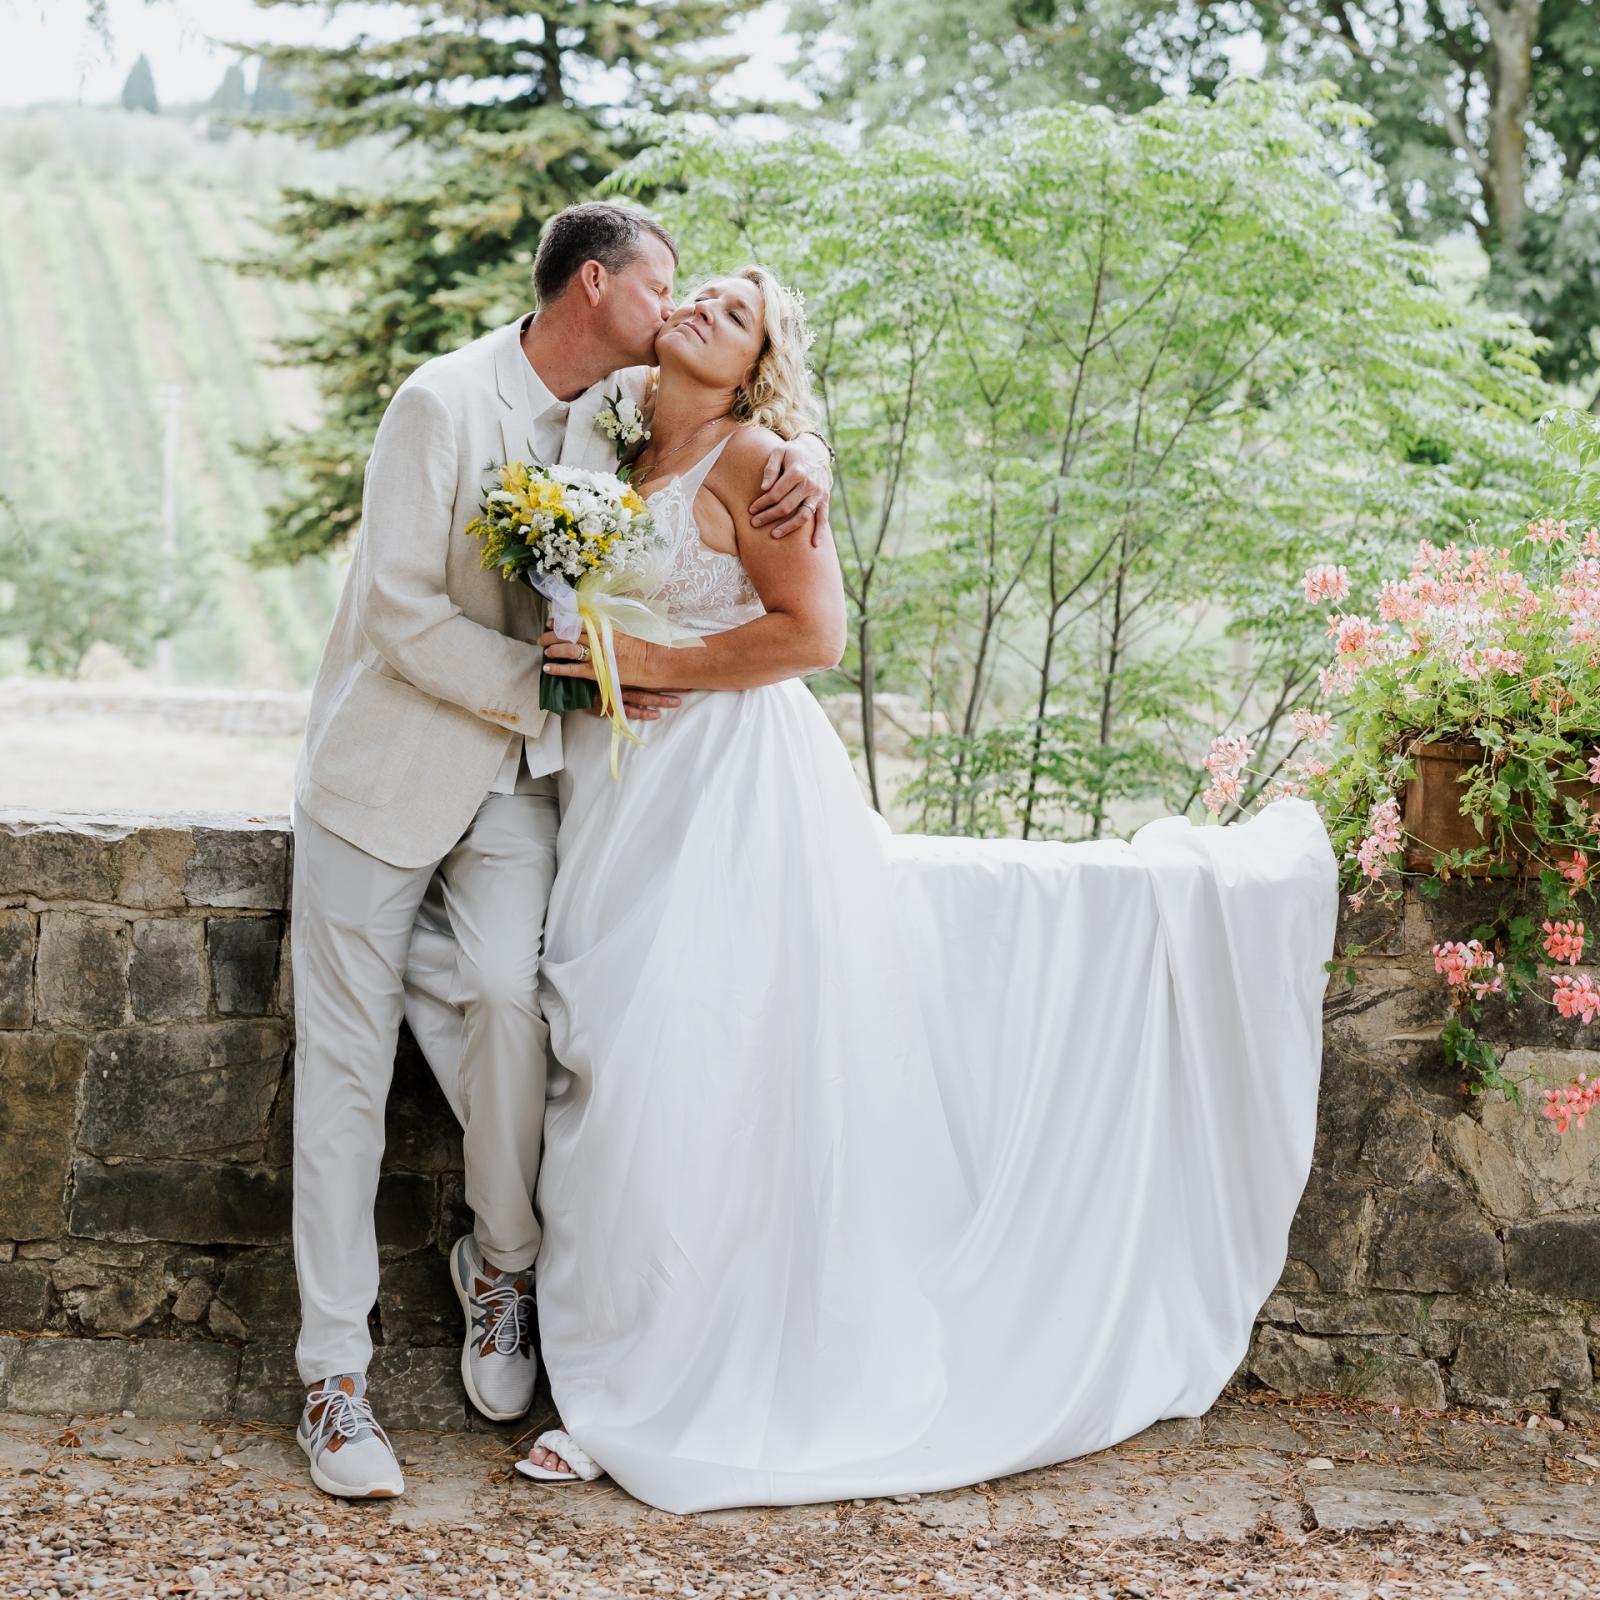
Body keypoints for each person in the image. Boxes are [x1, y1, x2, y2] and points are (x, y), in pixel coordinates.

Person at [406, 264, 1340, 1513]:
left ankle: (644, 1393)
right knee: (604, 1061)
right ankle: (605, 1350)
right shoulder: (613, 432)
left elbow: (813, 634)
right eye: (701, 293)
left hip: (724, 791)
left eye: (736, 313)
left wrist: (655, 655)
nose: (703, 307)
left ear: (755, 369)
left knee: (683, 1069)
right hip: (612, 795)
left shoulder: (756, 463)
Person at [288, 205, 835, 1501]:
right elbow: (398, 610)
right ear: (598, 287)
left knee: (512, 1002)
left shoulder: (616, 409)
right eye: (666, 287)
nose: (678, 309)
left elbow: (745, 422)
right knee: (344, 1068)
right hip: (389, 773)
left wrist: (808, 449)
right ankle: (333, 1378)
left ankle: (503, 1265)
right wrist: (567, 688)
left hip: (527, 791)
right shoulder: (440, 402)